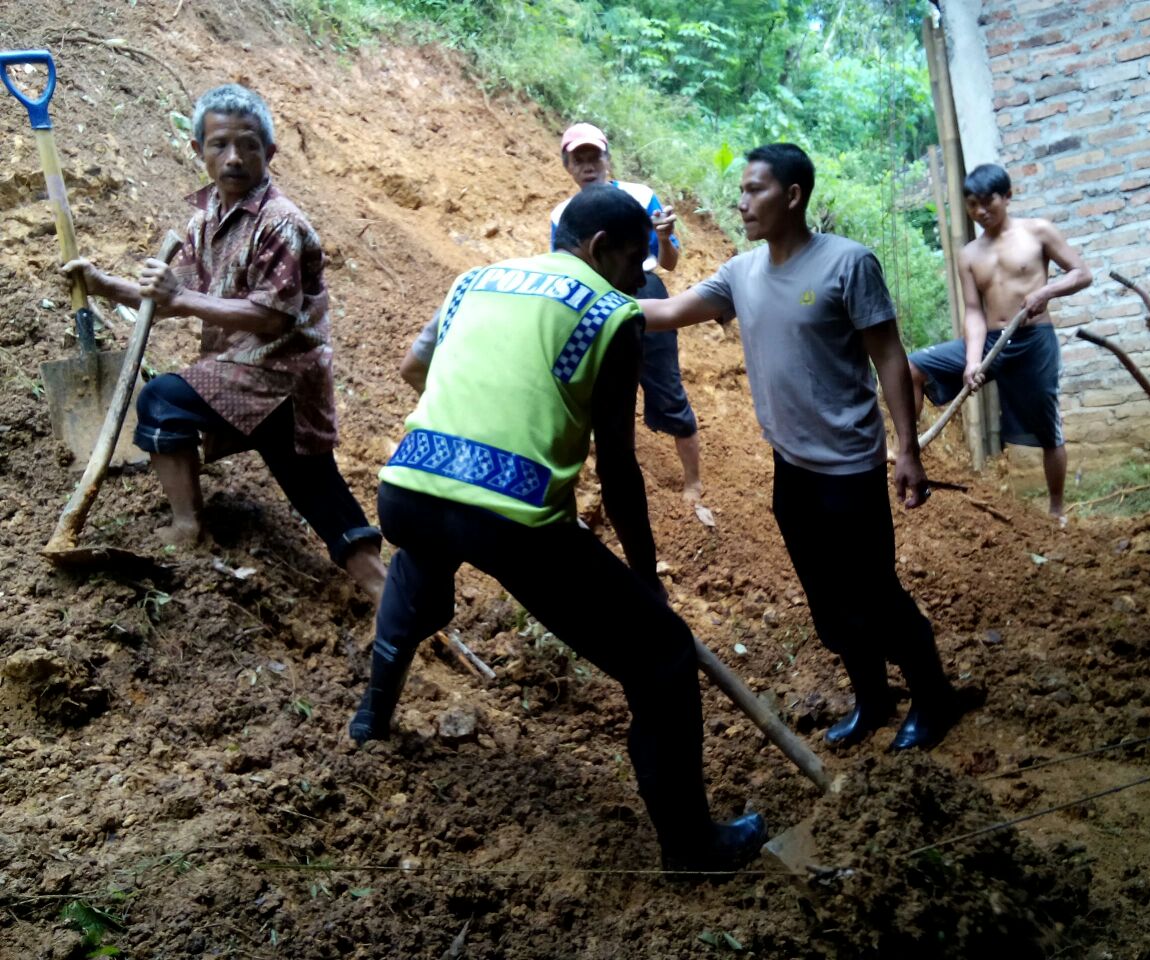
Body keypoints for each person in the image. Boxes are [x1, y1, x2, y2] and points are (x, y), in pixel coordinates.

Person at [350, 186, 766, 873]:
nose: (640, 279)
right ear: (601, 248)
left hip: (409, 489)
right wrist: (644, 579)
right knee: (662, 657)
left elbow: (414, 367)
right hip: (509, 521)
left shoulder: (476, 280)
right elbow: (620, 467)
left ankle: (372, 715)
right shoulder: (612, 313)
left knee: (422, 566)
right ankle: (692, 847)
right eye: (636, 262)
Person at [640, 143, 959, 752]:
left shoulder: (848, 264)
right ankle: (872, 698)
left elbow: (889, 356)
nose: (742, 202)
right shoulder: (741, 274)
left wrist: (907, 449)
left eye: (755, 189)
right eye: (741, 190)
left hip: (850, 470)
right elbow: (668, 309)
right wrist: (584, 302)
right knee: (828, 602)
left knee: (877, 595)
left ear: (792, 196)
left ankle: (933, 695)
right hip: (792, 470)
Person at [61, 84, 386, 601]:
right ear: (199, 151)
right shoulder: (206, 217)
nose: (233, 157)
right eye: (219, 145)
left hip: (278, 377)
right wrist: (105, 283)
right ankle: (380, 586)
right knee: (314, 485)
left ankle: (191, 527)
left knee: (162, 398)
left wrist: (182, 298)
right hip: (240, 374)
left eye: (248, 145)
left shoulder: (280, 223)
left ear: (269, 152)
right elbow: (172, 297)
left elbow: (270, 317)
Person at [907, 163, 1092, 520]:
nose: (980, 212)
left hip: (1033, 340)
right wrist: (973, 360)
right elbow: (974, 311)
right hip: (991, 340)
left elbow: (1082, 273)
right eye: (972, 204)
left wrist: (1046, 292)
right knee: (911, 366)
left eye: (987, 202)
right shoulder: (970, 255)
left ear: (1007, 196)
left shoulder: (1038, 232)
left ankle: (1057, 510)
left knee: (1048, 428)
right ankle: (911, 453)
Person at [551, 122, 704, 504]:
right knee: (597, 389)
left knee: (665, 382)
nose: (588, 165)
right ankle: (608, 473)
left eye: (594, 156)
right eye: (578, 159)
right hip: (590, 300)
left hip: (643, 289)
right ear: (568, 166)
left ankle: (693, 483)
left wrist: (665, 238)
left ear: (608, 158)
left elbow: (668, 263)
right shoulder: (562, 214)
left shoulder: (639, 196)